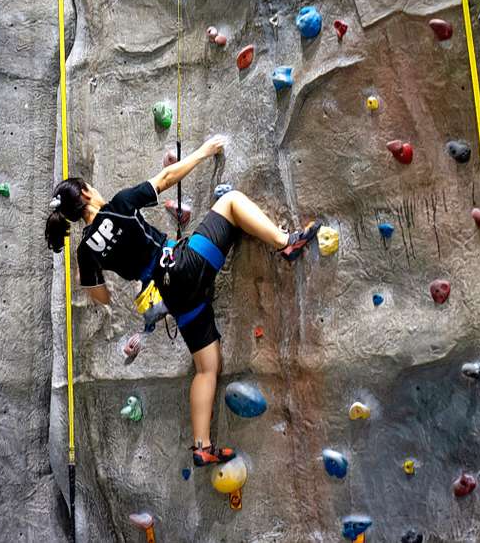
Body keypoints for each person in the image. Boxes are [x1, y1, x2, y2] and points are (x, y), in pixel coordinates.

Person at [44, 135, 319, 467]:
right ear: (87, 193)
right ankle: (284, 241)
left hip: (171, 296)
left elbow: (101, 296)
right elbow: (165, 179)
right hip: (181, 265)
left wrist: (88, 274)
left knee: (207, 367)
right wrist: (205, 151)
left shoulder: (85, 253)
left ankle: (202, 445)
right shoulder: (118, 205)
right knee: (230, 202)